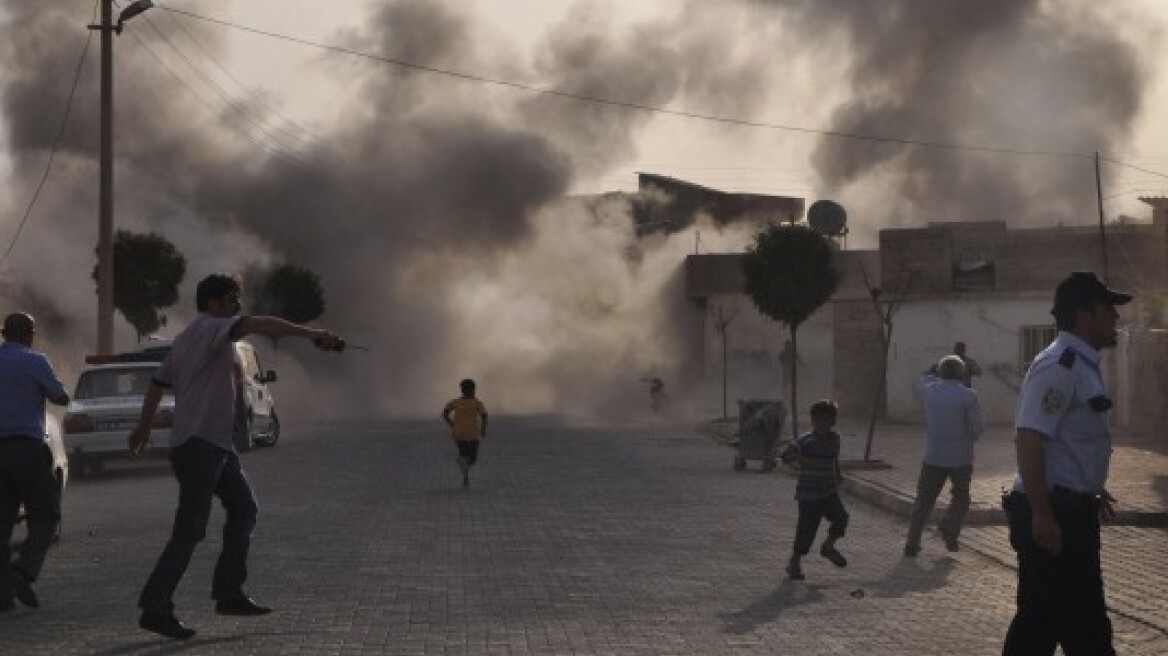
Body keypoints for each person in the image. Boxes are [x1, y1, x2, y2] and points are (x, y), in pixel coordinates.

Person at [128, 274, 345, 640]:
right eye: (232, 300)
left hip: (212, 447)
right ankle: (155, 606)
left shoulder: (185, 339)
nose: (236, 308)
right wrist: (314, 334)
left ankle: (228, 592)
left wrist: (144, 428)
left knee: (244, 509)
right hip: (200, 447)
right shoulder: (213, 328)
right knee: (189, 531)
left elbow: (158, 383)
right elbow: (260, 323)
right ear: (214, 302)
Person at [1002, 271, 1130, 656]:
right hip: (1056, 515)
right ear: (1084, 315)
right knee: (1087, 630)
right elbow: (1029, 437)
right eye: (1109, 309)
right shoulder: (1061, 365)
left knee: (1038, 626)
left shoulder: (1081, 365)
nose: (1116, 318)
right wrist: (1043, 512)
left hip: (1066, 506)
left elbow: (1068, 440)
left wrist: (1090, 483)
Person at [0, 313, 70, 611]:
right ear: (29, 334)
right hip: (26, 449)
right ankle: (23, 570)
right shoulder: (35, 361)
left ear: (4, 334)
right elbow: (61, 397)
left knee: (1, 525)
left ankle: (3, 595)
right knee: (46, 515)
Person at [904, 355, 983, 557]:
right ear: (962, 373)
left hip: (934, 455)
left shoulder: (930, 391)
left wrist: (931, 370)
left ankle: (912, 541)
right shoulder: (969, 396)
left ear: (940, 372)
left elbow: (923, 378)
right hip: (961, 458)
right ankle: (950, 530)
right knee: (961, 498)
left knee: (924, 499)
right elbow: (976, 429)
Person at [778, 399, 848, 581]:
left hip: (829, 492)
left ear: (833, 422)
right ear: (813, 421)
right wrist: (802, 461)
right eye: (819, 420)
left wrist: (838, 475)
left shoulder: (835, 439)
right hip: (808, 495)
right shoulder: (804, 441)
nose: (823, 424)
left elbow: (834, 459)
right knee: (806, 530)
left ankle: (828, 547)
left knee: (841, 517)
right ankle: (794, 563)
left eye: (827, 420)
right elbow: (786, 456)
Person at [442, 379, 488, 488]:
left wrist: (452, 424)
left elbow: (445, 414)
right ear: (472, 390)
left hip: (459, 434)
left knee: (465, 455)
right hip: (472, 434)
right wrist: (483, 428)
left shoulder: (455, 402)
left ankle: (465, 475)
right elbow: (484, 416)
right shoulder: (477, 403)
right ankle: (464, 467)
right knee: (472, 458)